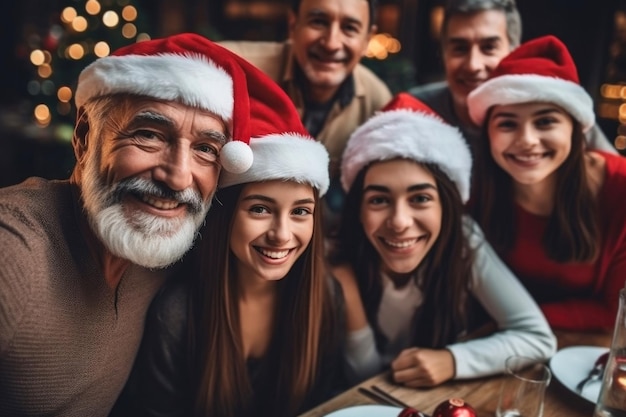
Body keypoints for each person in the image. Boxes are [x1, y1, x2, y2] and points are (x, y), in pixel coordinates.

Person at [0, 32, 279, 415]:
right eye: (148, 135)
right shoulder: (13, 250)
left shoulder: (172, 245)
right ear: (83, 136)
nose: (179, 177)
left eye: (205, 149)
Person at [116, 69, 345, 417]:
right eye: (259, 209)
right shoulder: (177, 314)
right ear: (224, 217)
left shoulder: (326, 296)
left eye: (300, 212)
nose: (281, 234)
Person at [329, 92, 556, 387]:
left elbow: (537, 337)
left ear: (446, 208)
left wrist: (453, 360)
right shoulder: (334, 256)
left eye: (420, 198)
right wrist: (350, 296)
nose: (399, 221)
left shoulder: (464, 242)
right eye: (379, 200)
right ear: (358, 209)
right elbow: (361, 379)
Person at [467, 35, 626, 331]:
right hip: (496, 347)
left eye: (545, 122)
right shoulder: (473, 189)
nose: (526, 140)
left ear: (575, 129)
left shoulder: (620, 188)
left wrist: (514, 320)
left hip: (585, 351)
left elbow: (616, 313)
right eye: (507, 123)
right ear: (488, 133)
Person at [219, 0, 392, 233]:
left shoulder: (376, 99)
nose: (331, 43)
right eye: (318, 22)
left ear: (367, 39)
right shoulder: (235, 67)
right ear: (293, 25)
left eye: (350, 28)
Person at [408, 0, 615, 163]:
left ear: (514, 51)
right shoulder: (414, 111)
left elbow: (614, 175)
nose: (473, 65)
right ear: (443, 54)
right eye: (459, 48)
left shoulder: (551, 107)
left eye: (489, 47)